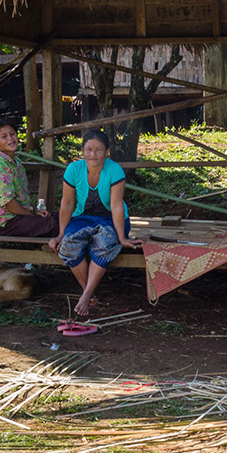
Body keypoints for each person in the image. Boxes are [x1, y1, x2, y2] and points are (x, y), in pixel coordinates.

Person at [48, 129, 142, 316]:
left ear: (107, 151)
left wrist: (122, 237)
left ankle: (86, 296)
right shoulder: (74, 169)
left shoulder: (114, 169)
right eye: (89, 149)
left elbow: (116, 206)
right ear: (82, 150)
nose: (93, 154)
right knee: (68, 244)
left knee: (105, 241)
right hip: (83, 218)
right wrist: (60, 234)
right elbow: (66, 205)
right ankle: (88, 293)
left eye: (98, 150)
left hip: (112, 219)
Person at [0, 119, 60, 237]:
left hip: (18, 217)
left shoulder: (16, 162)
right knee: (53, 225)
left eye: (12, 134)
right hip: (3, 223)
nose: (10, 139)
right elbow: (8, 202)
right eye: (4, 136)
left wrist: (36, 211)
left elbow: (22, 197)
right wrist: (31, 215)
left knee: (59, 216)